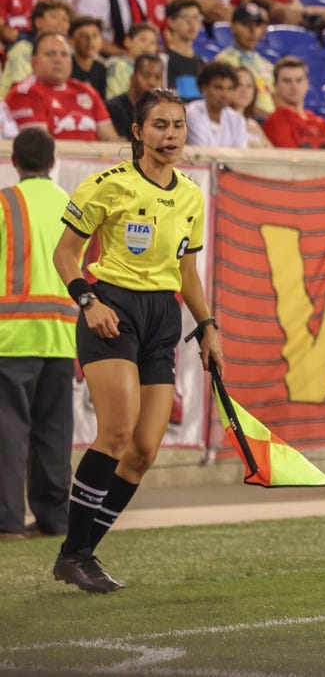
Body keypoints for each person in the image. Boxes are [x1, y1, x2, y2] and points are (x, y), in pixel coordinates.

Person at [51, 88, 224, 593]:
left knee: (146, 450)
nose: (170, 135)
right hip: (113, 311)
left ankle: (78, 554)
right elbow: (66, 255)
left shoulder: (192, 195)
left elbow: (187, 271)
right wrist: (89, 302)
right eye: (159, 126)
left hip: (162, 318)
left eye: (178, 126)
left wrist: (207, 326)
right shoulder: (107, 185)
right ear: (137, 132)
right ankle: (76, 553)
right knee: (117, 433)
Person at [0, 128, 76, 542]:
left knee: (8, 432)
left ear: (14, 161)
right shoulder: (70, 204)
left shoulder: (5, 203)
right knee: (55, 430)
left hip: (12, 334)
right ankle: (54, 518)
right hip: (62, 334)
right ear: (53, 160)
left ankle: (6, 521)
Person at [6, 32, 121, 142]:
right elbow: (40, 150)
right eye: (50, 54)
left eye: (64, 54)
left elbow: (110, 139)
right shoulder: (24, 94)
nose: (58, 60)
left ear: (71, 62)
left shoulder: (87, 91)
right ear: (33, 61)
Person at [261, 55, 325, 150]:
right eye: (287, 81)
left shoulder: (322, 124)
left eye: (299, 80)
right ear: (275, 86)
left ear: (307, 84)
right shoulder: (274, 122)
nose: (294, 87)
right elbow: (291, 161)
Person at [216, 3, 275, 118]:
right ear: (233, 27)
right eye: (246, 24)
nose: (252, 30)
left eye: (257, 25)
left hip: (269, 122)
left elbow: (276, 98)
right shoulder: (224, 62)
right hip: (242, 119)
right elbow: (225, 100)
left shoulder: (267, 65)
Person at [186, 61, 248, 148]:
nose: (225, 95)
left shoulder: (238, 119)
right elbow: (203, 154)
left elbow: (241, 155)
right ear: (204, 88)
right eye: (218, 88)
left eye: (229, 88)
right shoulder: (192, 113)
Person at [106, 52, 165, 137]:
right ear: (132, 78)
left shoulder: (164, 112)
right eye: (146, 76)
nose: (152, 82)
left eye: (157, 77)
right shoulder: (114, 108)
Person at [162, 0, 205, 102]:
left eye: (196, 18)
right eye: (186, 17)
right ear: (171, 22)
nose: (192, 23)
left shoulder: (201, 63)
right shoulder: (164, 60)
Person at [229, 65, 271, 148]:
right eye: (239, 85)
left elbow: (273, 154)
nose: (244, 90)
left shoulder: (253, 125)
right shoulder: (221, 121)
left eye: (249, 86)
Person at [69, 16, 109, 98]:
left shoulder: (102, 69)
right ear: (72, 41)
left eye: (95, 35)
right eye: (83, 36)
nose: (90, 40)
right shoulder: (66, 68)